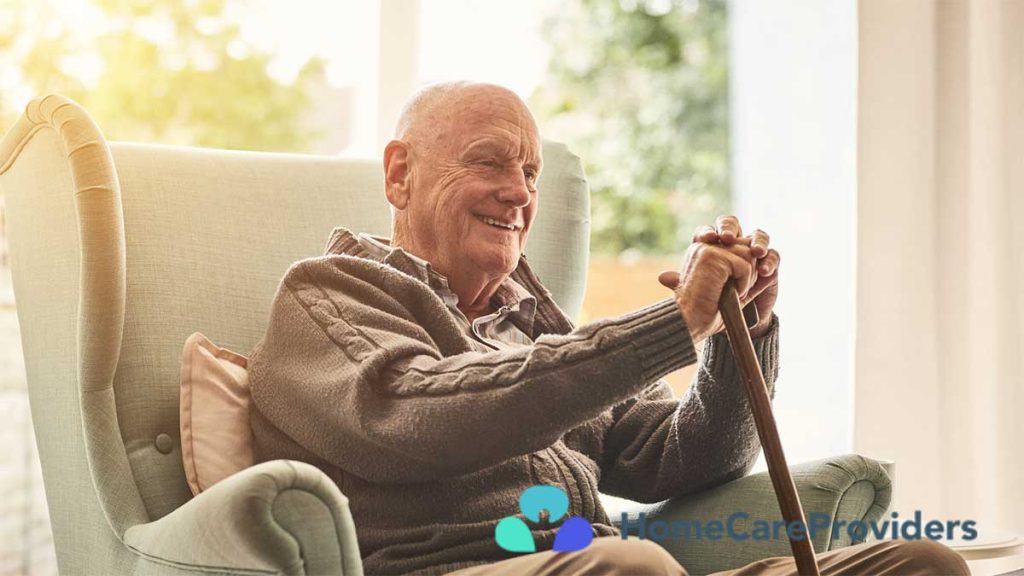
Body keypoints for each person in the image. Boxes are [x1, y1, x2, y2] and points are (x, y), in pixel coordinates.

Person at [247, 82, 968, 575]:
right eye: (490, 162)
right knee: (631, 565)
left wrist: (734, 334)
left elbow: (684, 458)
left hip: (615, 568)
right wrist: (673, 321)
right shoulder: (330, 295)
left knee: (923, 563)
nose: (519, 193)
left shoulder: (538, 327)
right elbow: (421, 416)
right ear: (400, 173)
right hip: (460, 567)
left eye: (532, 174)